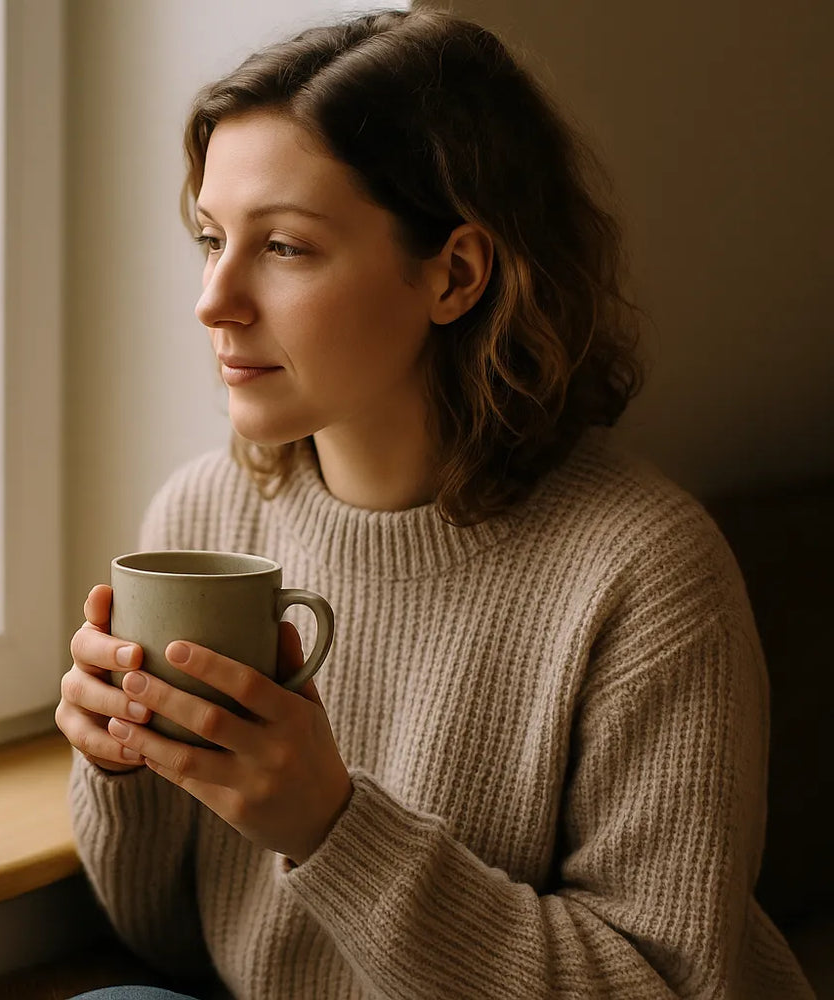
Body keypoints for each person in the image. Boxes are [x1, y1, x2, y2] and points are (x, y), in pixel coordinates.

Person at [54, 9, 814, 1000]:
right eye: (211, 238)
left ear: (455, 273)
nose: (215, 298)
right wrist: (121, 766)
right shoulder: (205, 523)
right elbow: (176, 941)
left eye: (283, 246)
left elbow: (664, 986)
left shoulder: (645, 570)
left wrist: (333, 828)